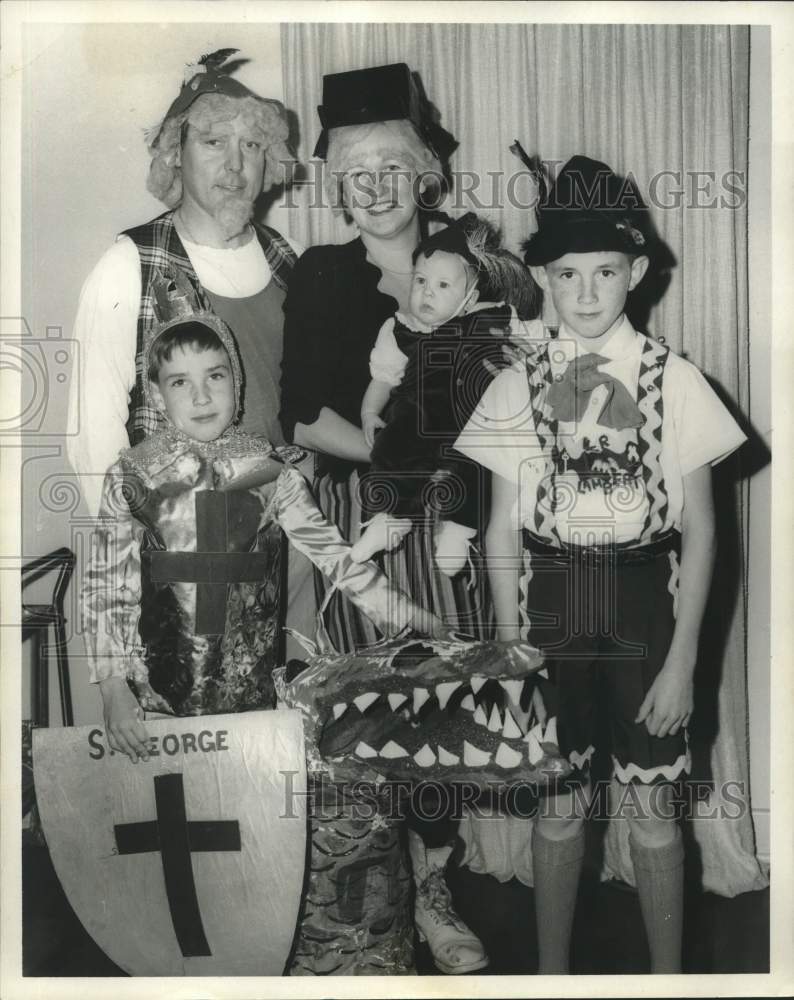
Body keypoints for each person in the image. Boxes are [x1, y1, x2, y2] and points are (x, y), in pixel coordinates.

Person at [457, 155, 747, 973]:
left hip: (643, 608)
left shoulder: (677, 380)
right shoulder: (515, 385)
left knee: (653, 812)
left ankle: (667, 981)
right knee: (555, 812)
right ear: (544, 278)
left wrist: (684, 658)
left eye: (606, 273)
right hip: (551, 604)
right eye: (568, 274)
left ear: (637, 273)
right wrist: (513, 653)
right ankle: (552, 977)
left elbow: (703, 528)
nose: (586, 294)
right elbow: (502, 529)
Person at [280, 63, 490, 975]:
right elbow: (300, 413)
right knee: (367, 714)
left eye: (390, 171)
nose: (372, 191)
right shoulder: (325, 273)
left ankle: (435, 887)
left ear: (424, 176)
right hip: (357, 518)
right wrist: (404, 458)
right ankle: (377, 899)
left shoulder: (471, 264)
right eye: (354, 175)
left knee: (439, 704)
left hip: (445, 517)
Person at [82, 272, 430, 757]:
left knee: (249, 819)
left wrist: (396, 608)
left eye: (215, 375)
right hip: (157, 703)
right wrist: (114, 689)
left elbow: (331, 553)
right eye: (181, 382)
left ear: (237, 383)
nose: (201, 397)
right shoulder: (133, 477)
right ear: (158, 397)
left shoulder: (269, 473)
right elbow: (104, 587)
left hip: (253, 700)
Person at [66, 48, 316, 657]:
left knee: (292, 729)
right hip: (183, 557)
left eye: (251, 146)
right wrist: (128, 559)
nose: (235, 166)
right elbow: (91, 434)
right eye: (213, 143)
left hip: (288, 547)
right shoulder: (129, 263)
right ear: (176, 154)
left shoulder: (288, 259)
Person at [352, 213, 537, 574]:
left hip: (474, 418)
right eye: (420, 280)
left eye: (442, 286)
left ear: (470, 296)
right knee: (394, 445)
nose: (426, 292)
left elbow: (532, 348)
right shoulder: (400, 328)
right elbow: (383, 378)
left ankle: (460, 528)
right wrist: (369, 413)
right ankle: (389, 519)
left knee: (483, 462)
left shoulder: (492, 318)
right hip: (420, 414)